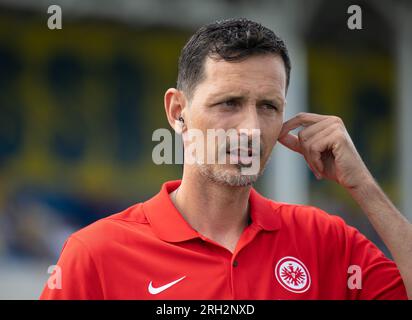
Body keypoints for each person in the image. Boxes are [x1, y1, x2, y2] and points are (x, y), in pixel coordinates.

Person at [40, 18, 411, 300]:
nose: (250, 128)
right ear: (177, 111)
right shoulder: (97, 253)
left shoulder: (325, 241)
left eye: (268, 106)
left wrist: (363, 186)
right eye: (228, 103)